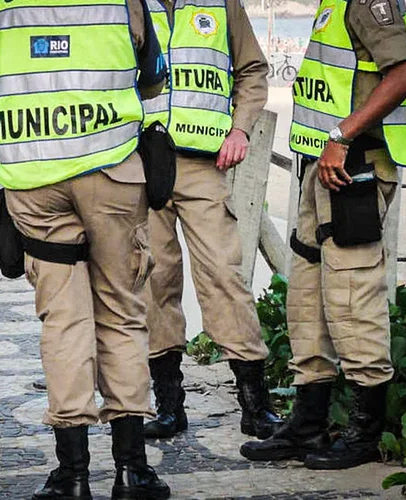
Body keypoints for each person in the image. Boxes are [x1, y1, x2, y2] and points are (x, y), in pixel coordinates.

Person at [0, 0, 170, 498]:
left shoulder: (2, 6)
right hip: (110, 171)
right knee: (121, 313)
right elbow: (154, 77)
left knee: (63, 321)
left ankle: (71, 475)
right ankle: (133, 472)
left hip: (34, 179)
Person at [240, 0, 406, 470]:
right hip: (322, 171)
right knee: (306, 299)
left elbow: (404, 74)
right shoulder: (331, 5)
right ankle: (308, 424)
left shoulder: (366, 4)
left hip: (354, 169)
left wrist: (341, 136)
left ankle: (364, 431)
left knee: (351, 296)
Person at [140, 0, 283, 441]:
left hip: (204, 164)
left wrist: (241, 128)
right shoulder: (126, 4)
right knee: (153, 278)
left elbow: (252, 69)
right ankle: (169, 406)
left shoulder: (221, 4)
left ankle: (255, 405)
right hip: (140, 163)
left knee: (224, 274)